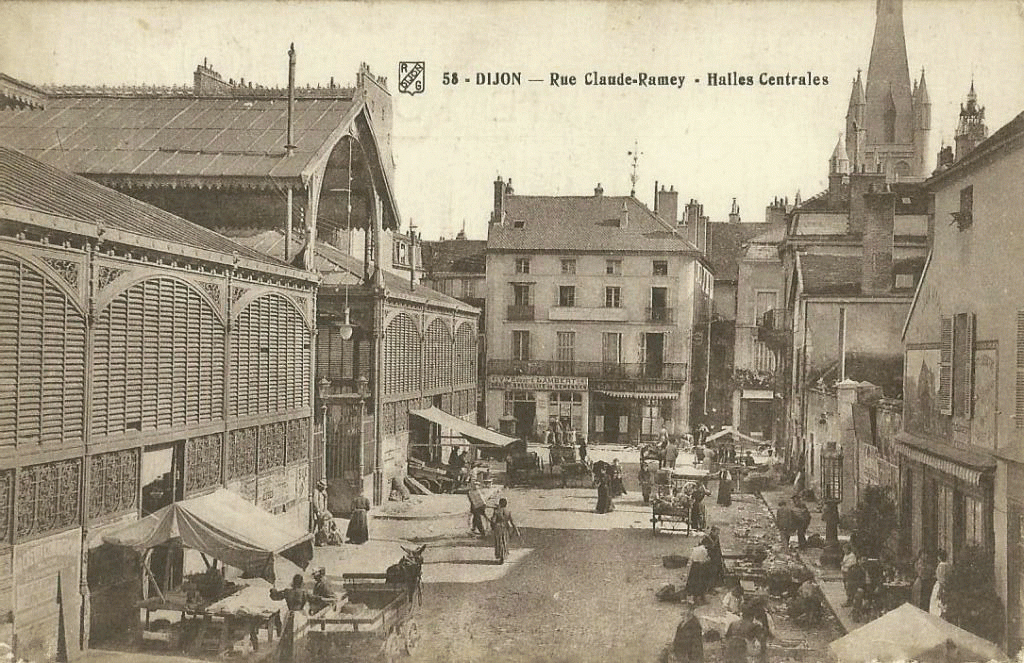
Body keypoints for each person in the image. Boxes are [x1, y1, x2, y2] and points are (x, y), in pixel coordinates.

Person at [270, 574, 313, 662]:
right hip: (299, 617)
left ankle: (286, 658)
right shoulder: (303, 592)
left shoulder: (287, 591)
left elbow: (275, 597)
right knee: (299, 636)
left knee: (287, 637)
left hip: (289, 616)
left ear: (293, 582)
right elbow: (314, 599)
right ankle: (297, 658)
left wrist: (272, 591)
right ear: (301, 582)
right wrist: (329, 600)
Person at [490, 497, 519, 564]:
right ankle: (504, 556)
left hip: (498, 528)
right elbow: (512, 522)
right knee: (504, 541)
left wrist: (492, 525)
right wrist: (517, 531)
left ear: (500, 504)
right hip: (505, 527)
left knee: (499, 542)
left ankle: (500, 557)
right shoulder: (508, 512)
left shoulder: (496, 511)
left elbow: (493, 521)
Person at [930, 549, 949, 619]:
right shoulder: (949, 565)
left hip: (940, 586)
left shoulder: (941, 566)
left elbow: (941, 579)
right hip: (946, 586)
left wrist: (940, 590)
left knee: (938, 604)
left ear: (939, 557)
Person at [312, 479, 331, 547]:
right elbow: (315, 502)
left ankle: (323, 539)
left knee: (325, 524)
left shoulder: (323, 492)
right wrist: (318, 511)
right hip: (318, 512)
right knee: (320, 526)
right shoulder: (316, 492)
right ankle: (320, 540)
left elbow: (325, 502)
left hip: (323, 510)